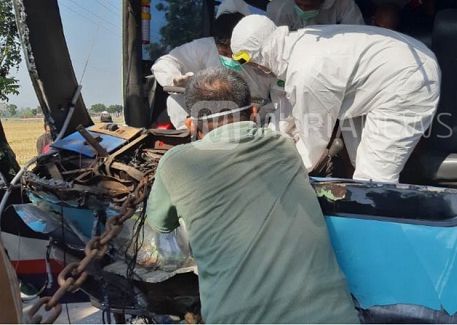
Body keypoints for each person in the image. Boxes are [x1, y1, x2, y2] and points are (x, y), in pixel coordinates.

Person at [146, 67, 358, 324]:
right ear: (254, 113)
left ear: (192, 124)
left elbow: (160, 224)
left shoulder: (176, 162)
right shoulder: (284, 146)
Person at [231, 15, 441, 184]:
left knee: (374, 177)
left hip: (409, 80)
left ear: (260, 55)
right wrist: (273, 136)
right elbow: (294, 111)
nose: (252, 68)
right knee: (359, 159)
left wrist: (275, 170)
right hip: (389, 74)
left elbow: (313, 144)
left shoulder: (306, 70)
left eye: (247, 60)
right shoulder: (298, 45)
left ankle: (376, 228)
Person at [151, 0, 276, 129]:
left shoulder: (261, 53)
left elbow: (279, 94)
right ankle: (190, 137)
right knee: (175, 100)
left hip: (252, 116)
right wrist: (172, 78)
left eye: (235, 54)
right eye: (224, 53)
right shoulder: (203, 47)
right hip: (209, 114)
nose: (230, 59)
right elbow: (165, 62)